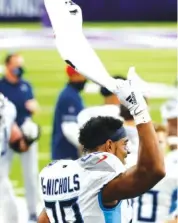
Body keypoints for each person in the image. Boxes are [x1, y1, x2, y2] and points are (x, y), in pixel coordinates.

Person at [38, 74, 165, 222]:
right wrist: (139, 109)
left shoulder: (58, 172)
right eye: (124, 144)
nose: (128, 150)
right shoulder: (101, 178)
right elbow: (155, 170)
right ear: (109, 145)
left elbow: (43, 219)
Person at [0, 53, 40, 222]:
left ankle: (32, 213)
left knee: (31, 175)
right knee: (2, 177)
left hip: (24, 133)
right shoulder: (2, 86)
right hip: (4, 135)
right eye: (16, 65)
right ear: (7, 66)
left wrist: (33, 107)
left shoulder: (26, 85)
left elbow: (33, 106)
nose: (19, 69)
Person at [131, 124, 178, 223]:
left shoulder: (174, 170)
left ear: (166, 143)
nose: (155, 146)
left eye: (160, 142)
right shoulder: (130, 169)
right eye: (151, 142)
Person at [51, 65, 86, 160]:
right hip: (66, 153)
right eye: (82, 75)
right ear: (74, 76)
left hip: (66, 152)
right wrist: (86, 146)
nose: (85, 78)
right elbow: (69, 128)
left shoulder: (72, 94)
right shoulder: (69, 97)